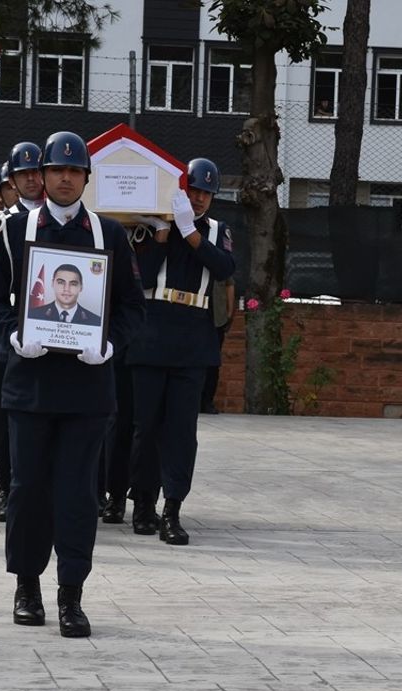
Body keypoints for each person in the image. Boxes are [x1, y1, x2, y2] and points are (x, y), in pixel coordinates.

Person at [0, 131, 145, 638]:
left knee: (77, 495)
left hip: (87, 391)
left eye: (75, 171)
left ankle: (71, 594)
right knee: (28, 490)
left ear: (86, 178)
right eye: (56, 170)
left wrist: (110, 344)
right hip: (29, 386)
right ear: (41, 177)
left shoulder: (108, 236)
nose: (65, 178)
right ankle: (26, 585)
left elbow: (132, 308)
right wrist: (14, 336)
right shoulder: (12, 230)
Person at [128, 158, 236, 545]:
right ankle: (142, 502)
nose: (200, 198)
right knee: (145, 427)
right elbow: (138, 278)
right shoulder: (152, 226)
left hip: (193, 337)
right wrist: (162, 233)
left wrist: (191, 232)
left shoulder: (217, 231)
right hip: (153, 331)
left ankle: (172, 507)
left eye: (207, 192)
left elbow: (224, 267)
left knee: (181, 431)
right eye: (194, 190)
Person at [0, 153, 36, 523]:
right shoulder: (0, 224)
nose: (31, 179)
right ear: (10, 182)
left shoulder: (60, 219)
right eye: (22, 174)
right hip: (4, 334)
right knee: (1, 418)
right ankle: (7, 486)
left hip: (47, 332)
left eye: (36, 171)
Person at [200, 278, 237, 414]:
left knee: (213, 363)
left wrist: (229, 311)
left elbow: (229, 284)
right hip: (195, 318)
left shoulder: (220, 259)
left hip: (217, 319)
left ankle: (207, 401)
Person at [28, 264, 101, 325]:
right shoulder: (33, 315)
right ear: (52, 283)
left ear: (81, 287)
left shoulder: (96, 321)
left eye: (73, 284)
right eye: (61, 282)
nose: (66, 289)